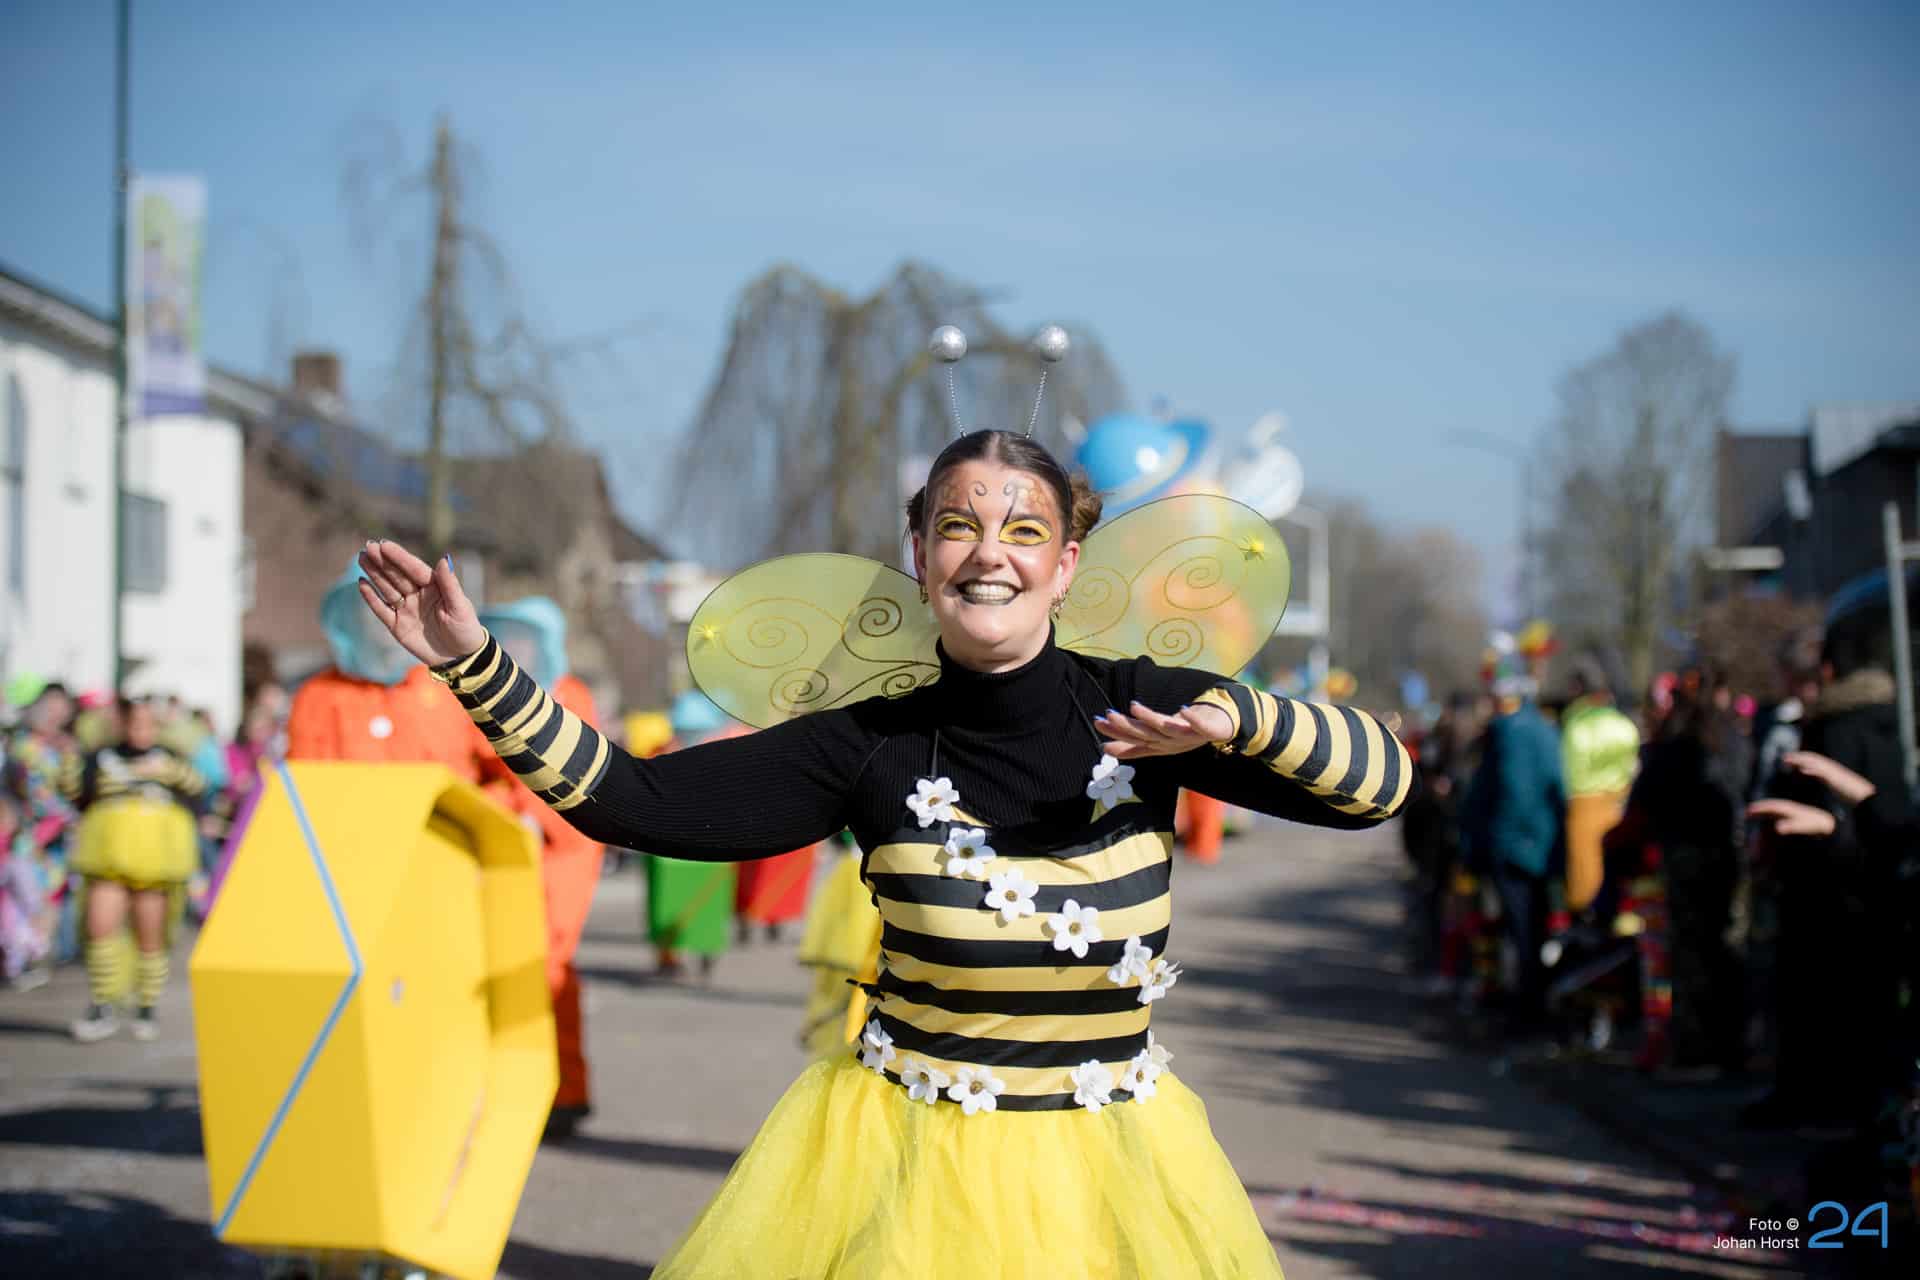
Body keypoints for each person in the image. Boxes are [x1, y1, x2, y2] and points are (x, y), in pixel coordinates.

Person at [355, 417, 1414, 1278]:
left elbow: (1381, 788)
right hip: (907, 1173)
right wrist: (475, 662)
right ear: (920, 556)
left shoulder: (1147, 708)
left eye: (1023, 530)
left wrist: (1242, 721)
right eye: (958, 526)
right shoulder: (867, 743)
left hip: (1119, 1176)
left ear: (1065, 565)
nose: (989, 552)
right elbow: (630, 798)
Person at [477, 596, 607, 1137]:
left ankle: (566, 1091)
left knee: (550, 965)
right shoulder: (493, 692)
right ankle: (521, 1083)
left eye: (525, 637)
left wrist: (521, 812)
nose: (516, 646)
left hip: (562, 846)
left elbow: (577, 775)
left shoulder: (570, 695)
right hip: (510, 845)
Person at [65, 697, 209, 1042]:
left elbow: (200, 793)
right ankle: (103, 1004)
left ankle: (146, 1006)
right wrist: (71, 763)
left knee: (150, 935)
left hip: (155, 862)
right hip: (107, 857)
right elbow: (78, 796)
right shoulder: (101, 757)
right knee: (100, 927)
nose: (140, 730)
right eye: (134, 722)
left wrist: (170, 773)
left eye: (148, 723)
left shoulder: (171, 758)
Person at [286, 564, 493, 780]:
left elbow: (509, 771)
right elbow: (301, 786)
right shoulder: (316, 696)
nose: (387, 612)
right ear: (352, 615)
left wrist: (478, 800)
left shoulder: (455, 689)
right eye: (373, 601)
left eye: (397, 599)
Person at [1461, 631, 1565, 1029]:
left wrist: (1482, 845)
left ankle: (1525, 1012)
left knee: (1519, 933)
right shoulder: (1546, 729)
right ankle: (1533, 1006)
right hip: (1542, 846)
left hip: (1513, 847)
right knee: (1534, 932)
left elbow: (1503, 794)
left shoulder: (1507, 733)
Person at [644, 692, 741, 978]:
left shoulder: (721, 754)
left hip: (705, 844)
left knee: (702, 900)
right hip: (670, 845)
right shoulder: (661, 753)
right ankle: (671, 954)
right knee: (669, 902)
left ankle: (702, 945)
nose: (689, 735)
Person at [1559, 655, 1639, 914]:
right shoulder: (1624, 725)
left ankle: (1589, 918)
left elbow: (1568, 772)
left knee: (1586, 875)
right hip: (1619, 807)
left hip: (1583, 809)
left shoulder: (1575, 725)